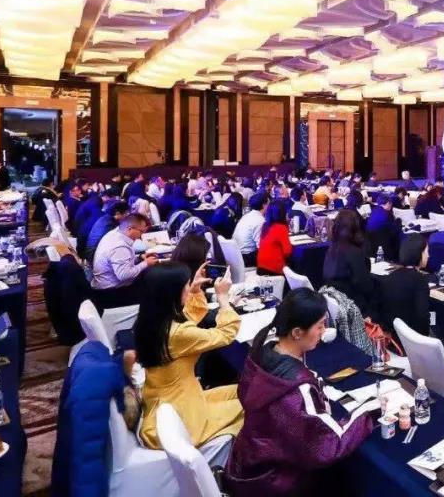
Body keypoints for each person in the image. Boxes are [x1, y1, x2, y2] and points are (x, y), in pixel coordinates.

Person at [224, 288, 377, 496]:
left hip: (248, 460)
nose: (324, 331)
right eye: (320, 325)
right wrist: (370, 411)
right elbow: (327, 447)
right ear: (297, 333)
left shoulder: (262, 350)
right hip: (276, 481)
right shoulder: (296, 389)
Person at [135, 261, 243, 450]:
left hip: (168, 398)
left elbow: (188, 317)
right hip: (182, 411)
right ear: (172, 293)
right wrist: (223, 298)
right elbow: (226, 334)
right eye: (186, 285)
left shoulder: (151, 321)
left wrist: (193, 291)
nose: (188, 286)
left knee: (244, 391)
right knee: (255, 403)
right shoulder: (177, 334)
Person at [322, 209, 374, 314]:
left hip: (336, 301)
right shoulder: (354, 252)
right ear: (356, 228)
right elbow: (366, 286)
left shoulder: (332, 248)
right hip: (352, 306)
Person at [379, 234, 431, 338]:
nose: (428, 256)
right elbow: (423, 316)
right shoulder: (420, 280)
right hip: (413, 336)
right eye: (426, 252)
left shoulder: (392, 275)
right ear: (419, 254)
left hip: (393, 333)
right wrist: (429, 332)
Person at [91, 213, 155, 290]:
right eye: (141, 231)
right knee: (154, 279)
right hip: (112, 290)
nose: (142, 235)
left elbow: (122, 259)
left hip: (107, 283)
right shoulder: (119, 246)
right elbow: (124, 275)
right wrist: (146, 263)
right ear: (129, 229)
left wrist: (140, 257)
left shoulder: (114, 233)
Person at [256, 201, 291, 275]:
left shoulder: (265, 226)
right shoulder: (281, 228)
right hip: (274, 269)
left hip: (261, 267)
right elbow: (287, 252)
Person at [234, 192, 268, 266]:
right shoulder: (260, 221)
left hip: (237, 254)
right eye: (268, 204)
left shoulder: (247, 216)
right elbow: (261, 246)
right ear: (264, 205)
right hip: (247, 258)